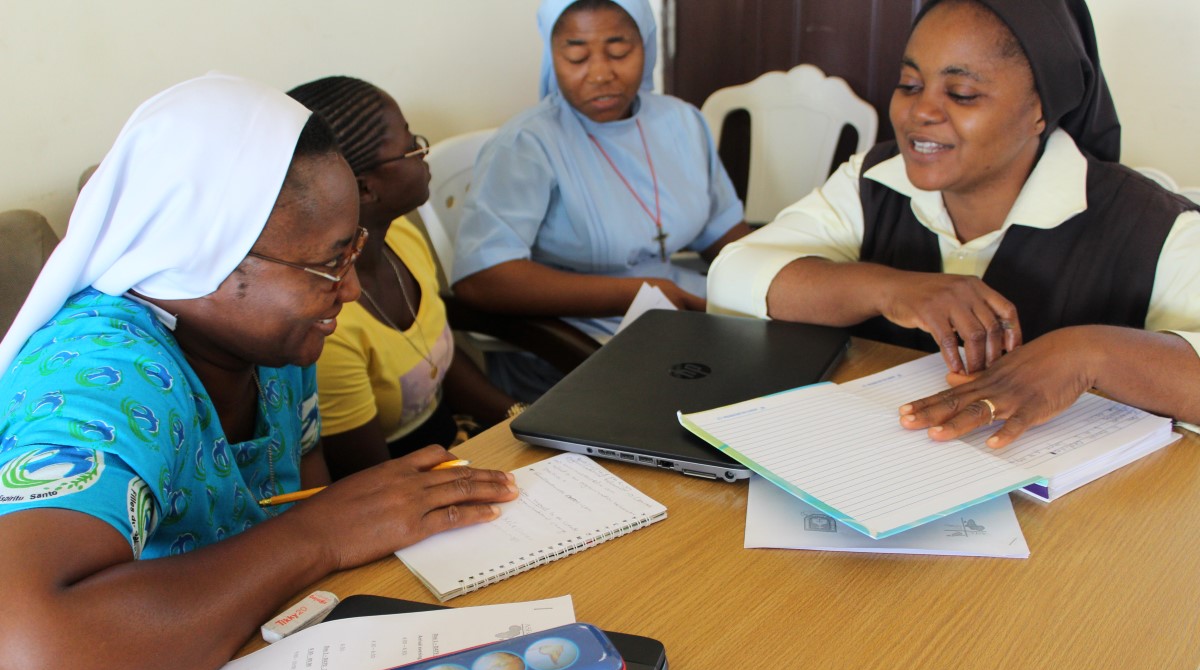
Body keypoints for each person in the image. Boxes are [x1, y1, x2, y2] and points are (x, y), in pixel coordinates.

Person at [0, 74, 518, 670]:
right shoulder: (107, 377)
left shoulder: (273, 340)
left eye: (353, 252)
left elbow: (297, 495)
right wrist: (319, 534)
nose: (353, 289)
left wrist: (322, 536)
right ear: (205, 255)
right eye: (331, 262)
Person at [708, 0, 1200, 448]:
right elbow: (734, 274)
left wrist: (1089, 353)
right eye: (910, 85)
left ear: (1041, 111)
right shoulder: (875, 179)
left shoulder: (1153, 226)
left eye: (962, 93)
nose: (920, 112)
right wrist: (889, 289)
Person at [451, 0, 752, 400]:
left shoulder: (680, 121)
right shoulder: (527, 144)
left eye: (619, 51)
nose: (599, 74)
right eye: (576, 54)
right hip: (571, 341)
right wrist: (639, 290)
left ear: (645, 46)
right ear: (552, 55)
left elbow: (723, 229)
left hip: (677, 312)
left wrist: (769, 282)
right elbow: (481, 280)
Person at [286, 76, 522, 480]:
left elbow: (438, 357)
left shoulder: (403, 238)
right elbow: (375, 479)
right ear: (363, 188)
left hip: (457, 444)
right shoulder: (330, 323)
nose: (424, 153)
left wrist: (523, 418)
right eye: (411, 147)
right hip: (396, 482)